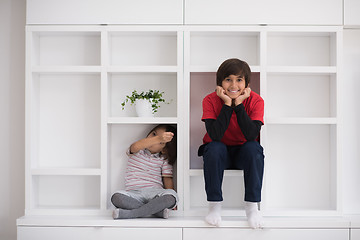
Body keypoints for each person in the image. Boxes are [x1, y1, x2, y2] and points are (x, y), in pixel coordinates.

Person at [198, 58, 265, 228]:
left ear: (247, 84)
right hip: (220, 152)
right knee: (214, 147)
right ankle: (214, 207)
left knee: (254, 148)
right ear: (220, 83)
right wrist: (228, 104)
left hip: (244, 152)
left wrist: (239, 105)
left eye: (239, 80)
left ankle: (252, 207)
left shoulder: (256, 101)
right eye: (228, 79)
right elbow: (215, 135)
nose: (233, 85)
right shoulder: (210, 100)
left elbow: (251, 135)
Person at [111, 124, 178, 219]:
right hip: (134, 194)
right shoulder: (137, 151)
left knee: (171, 197)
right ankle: (156, 212)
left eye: (160, 142)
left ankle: (132, 214)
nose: (154, 139)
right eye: (154, 134)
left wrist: (173, 199)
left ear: (163, 150)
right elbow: (135, 146)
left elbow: (167, 179)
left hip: (155, 194)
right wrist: (159, 139)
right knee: (116, 197)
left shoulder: (163, 159)